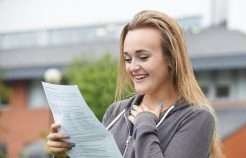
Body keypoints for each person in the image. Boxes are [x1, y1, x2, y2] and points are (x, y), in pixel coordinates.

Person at [46, 10, 223, 158]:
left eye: (143, 57)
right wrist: (64, 153)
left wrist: (145, 124)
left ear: (171, 59)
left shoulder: (197, 119)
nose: (132, 67)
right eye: (127, 59)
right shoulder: (115, 112)